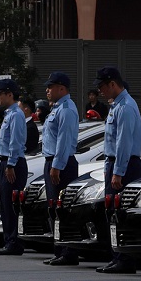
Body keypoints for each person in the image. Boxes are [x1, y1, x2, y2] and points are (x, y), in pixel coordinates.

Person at [94, 66, 141, 274]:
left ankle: (125, 258)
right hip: (115, 163)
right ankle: (118, 255)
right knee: (112, 212)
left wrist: (118, 171)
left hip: (125, 164)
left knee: (121, 212)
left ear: (113, 84)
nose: (100, 92)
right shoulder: (116, 106)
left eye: (102, 87)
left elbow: (124, 142)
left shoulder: (126, 107)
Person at [41, 72, 80, 266]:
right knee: (54, 209)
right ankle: (59, 249)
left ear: (62, 88)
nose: (47, 90)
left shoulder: (66, 109)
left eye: (51, 87)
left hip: (62, 164)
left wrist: (56, 166)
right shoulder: (56, 108)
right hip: (52, 162)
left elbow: (64, 141)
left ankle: (68, 251)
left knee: (63, 209)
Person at [0, 78, 27, 256]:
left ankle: (14, 241)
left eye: (0, 94)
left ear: (10, 94)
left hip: (13, 162)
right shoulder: (9, 114)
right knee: (5, 203)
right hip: (6, 162)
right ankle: (9, 240)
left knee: (11, 204)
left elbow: (16, 142)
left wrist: (11, 164)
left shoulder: (16, 115)